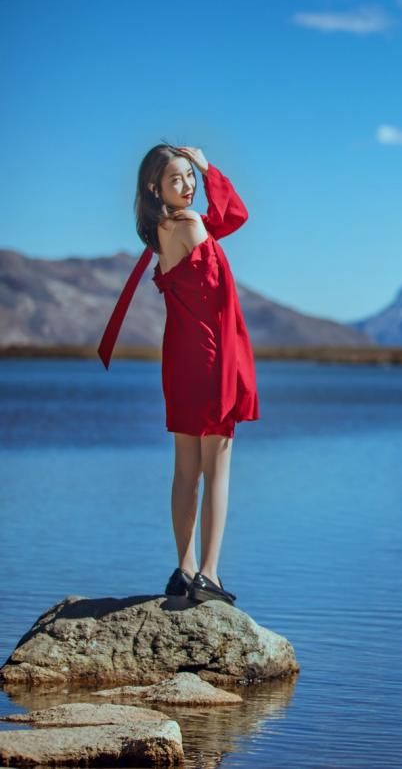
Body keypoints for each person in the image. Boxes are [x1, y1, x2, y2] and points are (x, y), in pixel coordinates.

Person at [97, 143, 259, 606]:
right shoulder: (189, 224)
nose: (188, 185)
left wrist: (206, 173)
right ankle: (210, 573)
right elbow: (234, 220)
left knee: (186, 469)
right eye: (177, 179)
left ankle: (184, 568)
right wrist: (212, 172)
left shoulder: (161, 231)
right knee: (217, 470)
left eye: (191, 176)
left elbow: (224, 223)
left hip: (181, 357)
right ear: (155, 187)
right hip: (210, 357)